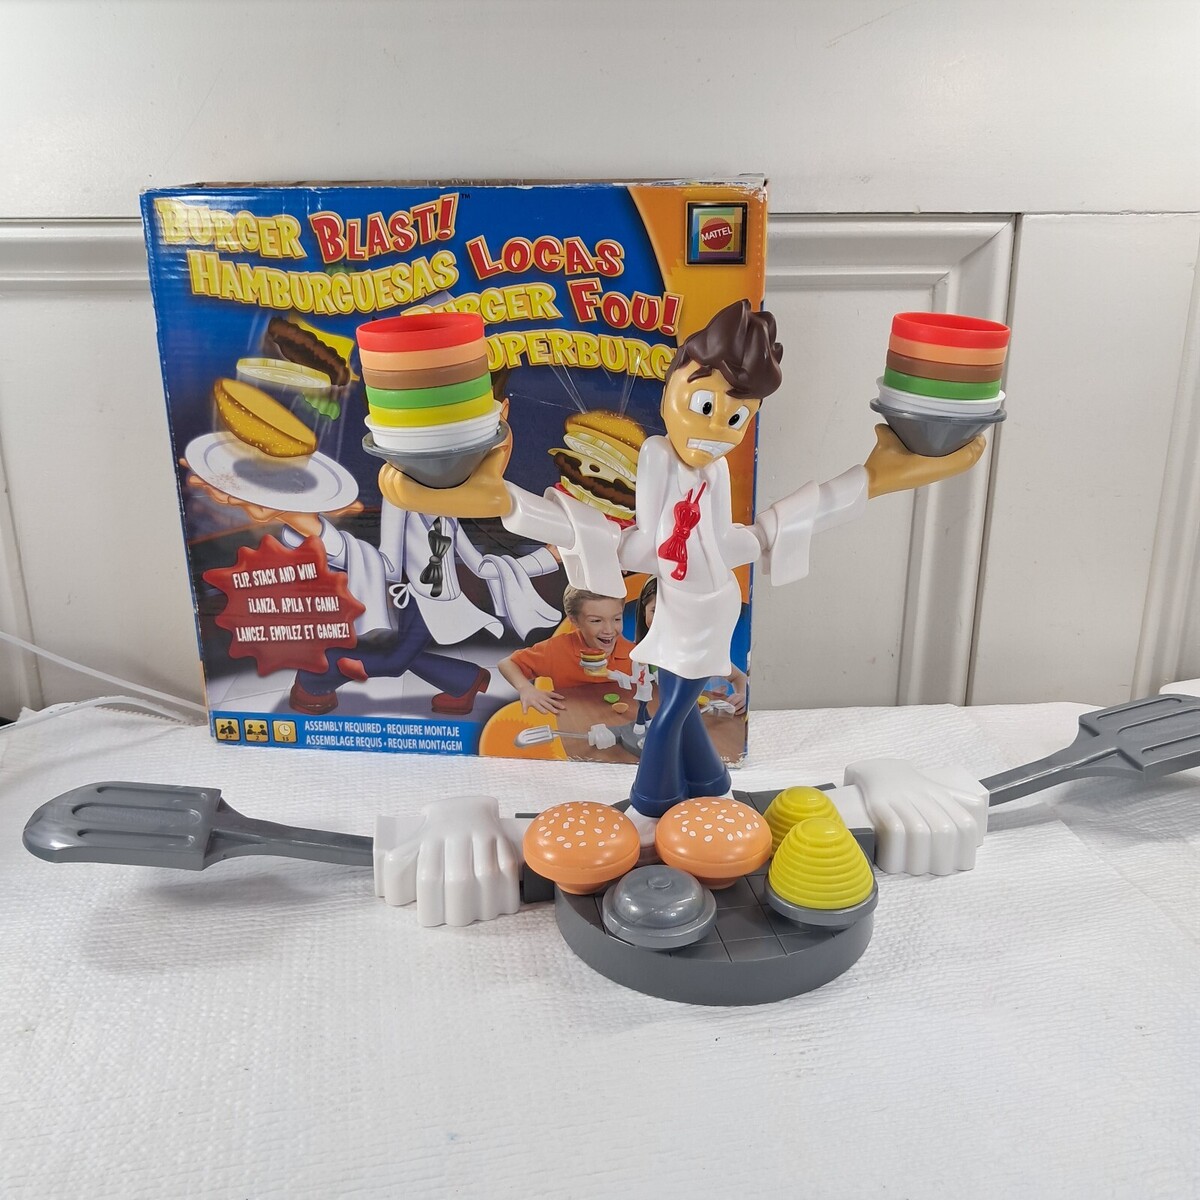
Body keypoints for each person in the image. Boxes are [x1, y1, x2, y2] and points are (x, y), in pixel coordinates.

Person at [376, 299, 986, 842]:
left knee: (670, 710)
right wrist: (514, 505)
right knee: (676, 704)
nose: (719, 431)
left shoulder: (712, 471)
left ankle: (662, 801)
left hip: (708, 609)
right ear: (673, 389)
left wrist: (867, 482)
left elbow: (725, 540)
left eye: (736, 418)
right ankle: (700, 788)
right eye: (707, 406)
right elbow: (649, 544)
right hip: (678, 609)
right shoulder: (657, 455)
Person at [497, 587, 634, 716]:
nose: (609, 630)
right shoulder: (558, 649)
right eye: (596, 621)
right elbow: (507, 663)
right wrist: (526, 689)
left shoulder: (634, 655)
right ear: (575, 621)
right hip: (573, 721)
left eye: (617, 619)